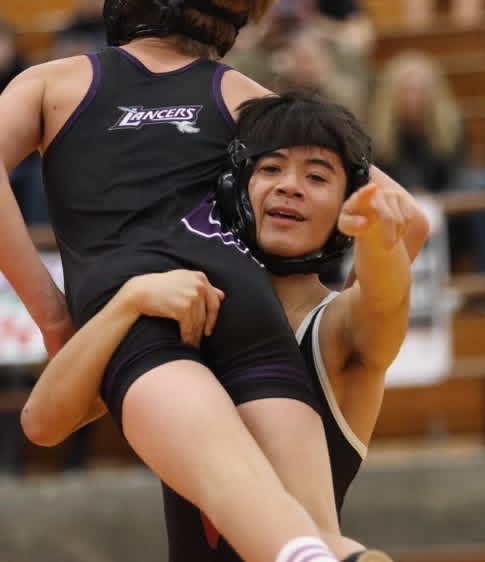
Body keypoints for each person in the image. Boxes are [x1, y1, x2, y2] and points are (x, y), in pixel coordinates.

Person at [0, 3, 389, 561]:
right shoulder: (237, 92)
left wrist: (53, 313)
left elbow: (44, 421)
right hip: (242, 303)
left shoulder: (51, 82)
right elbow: (392, 204)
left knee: (240, 493)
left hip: (145, 308)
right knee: (312, 531)